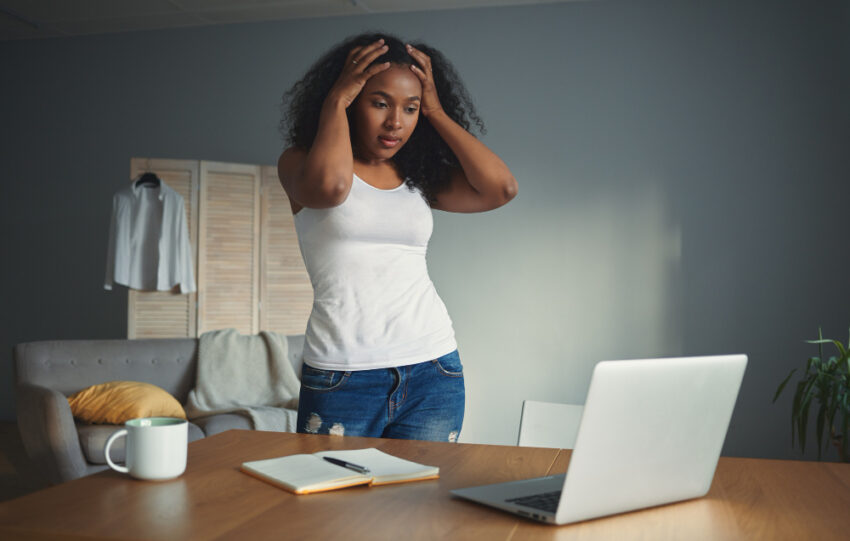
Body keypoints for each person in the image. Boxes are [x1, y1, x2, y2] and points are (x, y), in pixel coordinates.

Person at [277, 32, 517, 442]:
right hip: (342, 371)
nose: (395, 122)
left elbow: (501, 189)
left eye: (411, 108)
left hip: (432, 367)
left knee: (419, 505)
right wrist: (335, 101)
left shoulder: (416, 176)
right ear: (353, 100)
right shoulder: (300, 162)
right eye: (379, 103)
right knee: (329, 505)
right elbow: (332, 188)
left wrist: (437, 112)